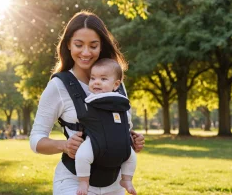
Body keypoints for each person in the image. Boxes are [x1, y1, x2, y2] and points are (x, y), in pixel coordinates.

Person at [29, 11, 145, 195]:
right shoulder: (58, 86)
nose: (85, 52)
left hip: (114, 185)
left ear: (101, 46)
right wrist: (64, 146)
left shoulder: (117, 83)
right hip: (73, 183)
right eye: (78, 45)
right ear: (68, 44)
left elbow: (119, 124)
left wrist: (131, 139)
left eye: (93, 45)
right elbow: (36, 139)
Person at [75, 58, 136, 195]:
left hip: (120, 143)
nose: (96, 82)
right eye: (93, 78)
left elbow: (127, 121)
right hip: (97, 141)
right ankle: (84, 181)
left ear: (116, 85)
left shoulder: (121, 102)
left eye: (103, 79)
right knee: (82, 156)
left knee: (131, 157)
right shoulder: (90, 99)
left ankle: (126, 179)